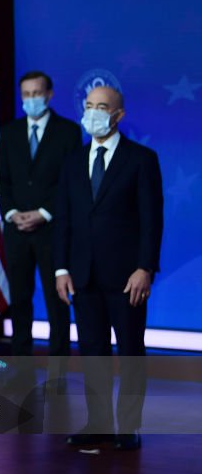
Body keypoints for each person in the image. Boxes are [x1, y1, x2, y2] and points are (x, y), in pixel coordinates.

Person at [54, 85, 163, 451]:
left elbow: (152, 220)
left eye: (102, 107)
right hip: (83, 276)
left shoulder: (141, 159)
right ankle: (98, 423)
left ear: (119, 115)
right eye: (88, 106)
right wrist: (61, 269)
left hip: (126, 278)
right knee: (93, 351)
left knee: (130, 350)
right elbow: (65, 220)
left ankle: (128, 426)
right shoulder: (71, 161)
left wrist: (145, 267)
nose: (93, 113)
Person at [0, 71, 82, 357]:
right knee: (19, 297)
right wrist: (11, 213)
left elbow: (70, 182)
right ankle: (20, 361)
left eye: (36, 93)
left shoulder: (68, 132)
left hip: (52, 230)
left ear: (49, 94)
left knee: (56, 299)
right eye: (26, 94)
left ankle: (59, 361)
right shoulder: (8, 133)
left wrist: (45, 213)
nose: (31, 99)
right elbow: (2, 180)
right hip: (16, 230)